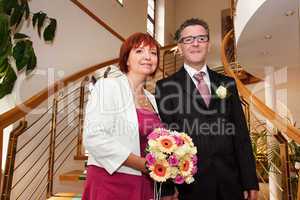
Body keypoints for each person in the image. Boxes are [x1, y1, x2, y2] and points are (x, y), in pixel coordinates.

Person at [155, 18, 259, 200]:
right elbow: (166, 140)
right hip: (190, 187)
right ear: (179, 47)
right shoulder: (165, 87)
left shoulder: (227, 84)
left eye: (201, 38)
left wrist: (249, 180)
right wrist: (168, 188)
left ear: (209, 45)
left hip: (230, 183)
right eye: (188, 39)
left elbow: (241, 135)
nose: (195, 43)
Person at [82, 32, 176, 200]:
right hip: (111, 182)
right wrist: (144, 165)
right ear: (126, 59)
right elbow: (94, 137)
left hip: (144, 184)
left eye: (153, 53)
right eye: (139, 51)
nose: (147, 57)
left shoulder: (152, 99)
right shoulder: (108, 87)